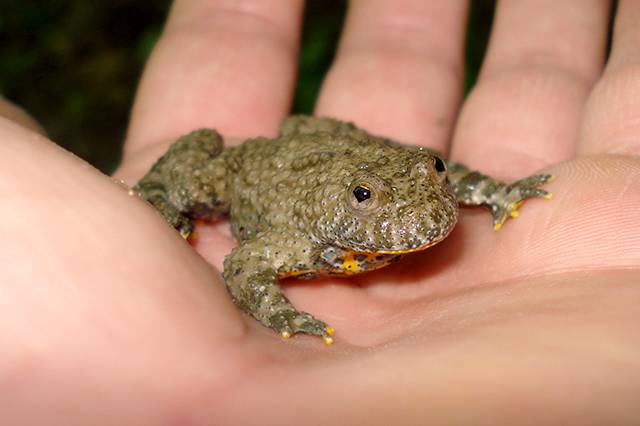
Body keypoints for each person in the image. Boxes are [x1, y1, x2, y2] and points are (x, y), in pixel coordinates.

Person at [1, 1, 639, 423]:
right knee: (196, 171)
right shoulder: (298, 241)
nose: (425, 210)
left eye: (435, 175)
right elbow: (247, 264)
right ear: (350, 205)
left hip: (332, 148)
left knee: (398, 170)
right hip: (268, 168)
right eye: (369, 203)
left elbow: (429, 175)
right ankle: (170, 193)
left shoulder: (416, 176)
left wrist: (496, 192)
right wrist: (279, 314)